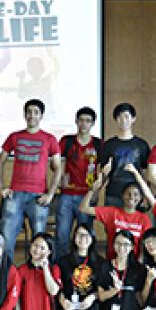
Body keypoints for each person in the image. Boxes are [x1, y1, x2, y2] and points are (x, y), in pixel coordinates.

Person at [0, 99, 62, 261]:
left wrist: (51, 194)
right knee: (6, 238)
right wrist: (1, 186)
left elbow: (58, 168)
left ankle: (38, 277)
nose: (32, 115)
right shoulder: (15, 136)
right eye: (29, 112)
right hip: (15, 194)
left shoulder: (50, 139)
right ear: (25, 114)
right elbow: (1, 161)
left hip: (38, 196)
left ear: (41, 116)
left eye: (36, 112)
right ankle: (8, 278)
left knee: (40, 242)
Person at [55, 107, 101, 259]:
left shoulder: (99, 144)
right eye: (81, 120)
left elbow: (102, 172)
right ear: (76, 121)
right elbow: (56, 163)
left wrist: (96, 192)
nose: (84, 124)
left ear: (93, 123)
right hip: (66, 195)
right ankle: (61, 267)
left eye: (88, 121)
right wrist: (61, 175)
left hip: (87, 197)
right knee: (62, 235)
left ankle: (86, 266)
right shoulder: (66, 141)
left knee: (86, 236)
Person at [79, 171, 151, 259]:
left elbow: (145, 244)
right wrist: (92, 189)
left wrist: (139, 264)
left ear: (141, 198)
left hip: (133, 264)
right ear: (122, 196)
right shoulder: (112, 212)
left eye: (136, 194)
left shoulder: (144, 219)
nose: (132, 197)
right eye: (128, 193)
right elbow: (83, 208)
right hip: (112, 261)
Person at [98, 102, 150, 207]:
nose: (123, 120)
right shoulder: (109, 144)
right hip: (113, 194)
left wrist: (146, 195)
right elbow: (101, 171)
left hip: (135, 196)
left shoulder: (142, 144)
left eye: (126, 116)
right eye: (119, 117)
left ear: (133, 119)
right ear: (116, 120)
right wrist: (103, 173)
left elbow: (146, 173)